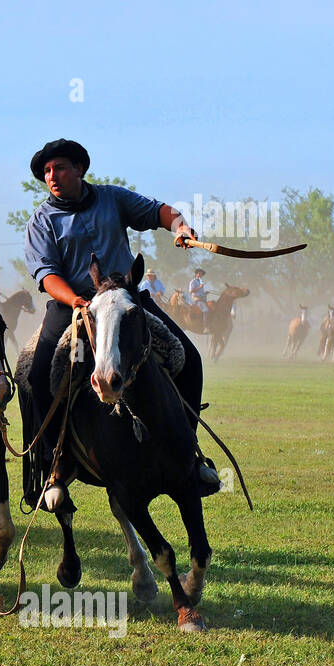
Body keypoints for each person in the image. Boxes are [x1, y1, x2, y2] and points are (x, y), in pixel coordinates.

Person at [22, 138, 219, 507]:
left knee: (189, 359)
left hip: (127, 302)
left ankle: (188, 453)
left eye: (60, 167)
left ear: (79, 169)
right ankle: (54, 467)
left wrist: (181, 226)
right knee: (36, 377)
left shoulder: (113, 198)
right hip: (73, 306)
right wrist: (77, 301)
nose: (53, 176)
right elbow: (46, 274)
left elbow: (161, 211)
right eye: (47, 171)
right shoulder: (42, 220)